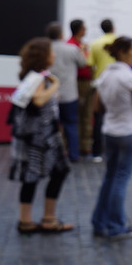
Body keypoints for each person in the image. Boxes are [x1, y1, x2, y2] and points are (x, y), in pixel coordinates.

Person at [9, 37, 73, 234]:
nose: (53, 55)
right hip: (41, 139)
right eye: (51, 52)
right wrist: (55, 85)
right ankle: (46, 218)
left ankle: (28, 220)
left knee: (34, 176)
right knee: (52, 173)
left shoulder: (32, 77)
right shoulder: (40, 79)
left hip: (37, 137)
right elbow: (38, 100)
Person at [90, 36, 132, 241]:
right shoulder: (130, 78)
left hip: (110, 130)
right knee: (121, 178)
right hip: (129, 131)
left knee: (110, 177)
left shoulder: (105, 75)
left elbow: (97, 107)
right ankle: (116, 225)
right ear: (123, 52)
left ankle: (99, 221)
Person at [46, 21, 86, 162]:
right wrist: (81, 49)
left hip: (50, 93)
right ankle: (74, 155)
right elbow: (83, 63)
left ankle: (52, 154)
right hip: (69, 93)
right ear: (61, 34)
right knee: (71, 125)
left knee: (51, 126)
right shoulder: (71, 49)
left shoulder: (45, 49)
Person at [88, 19, 117, 162]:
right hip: (117, 84)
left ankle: (97, 152)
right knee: (116, 116)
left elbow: (90, 65)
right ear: (113, 28)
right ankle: (114, 151)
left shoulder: (94, 44)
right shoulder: (118, 42)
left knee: (98, 119)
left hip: (99, 84)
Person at [68, 19, 95, 159]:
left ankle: (85, 146)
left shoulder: (81, 45)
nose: (86, 30)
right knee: (79, 114)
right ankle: (76, 146)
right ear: (79, 30)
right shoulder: (72, 46)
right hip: (78, 83)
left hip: (86, 82)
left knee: (86, 115)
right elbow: (83, 63)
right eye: (84, 28)